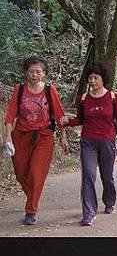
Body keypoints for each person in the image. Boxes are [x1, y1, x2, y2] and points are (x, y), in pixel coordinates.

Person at [4, 55, 68, 225]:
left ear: (43, 73)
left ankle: (31, 210)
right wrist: (7, 135)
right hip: (21, 135)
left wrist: (63, 137)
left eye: (38, 72)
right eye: (31, 72)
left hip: (44, 136)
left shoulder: (49, 89)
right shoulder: (19, 89)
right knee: (21, 173)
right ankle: (33, 195)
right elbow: (11, 114)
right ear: (26, 72)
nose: (34, 75)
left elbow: (59, 115)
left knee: (36, 173)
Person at [65, 63, 117, 226]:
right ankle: (88, 212)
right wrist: (66, 122)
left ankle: (109, 201)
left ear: (103, 79)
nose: (92, 81)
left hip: (107, 141)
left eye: (95, 78)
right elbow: (80, 119)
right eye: (90, 77)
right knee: (88, 175)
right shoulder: (84, 98)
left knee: (107, 176)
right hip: (88, 141)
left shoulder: (113, 97)